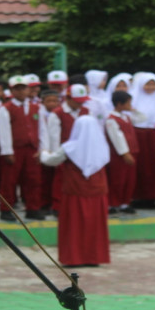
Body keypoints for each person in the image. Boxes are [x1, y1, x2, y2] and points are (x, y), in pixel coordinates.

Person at [40, 115, 110, 267]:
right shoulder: (103, 147)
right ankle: (93, 257)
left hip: (75, 190)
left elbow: (50, 161)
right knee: (94, 224)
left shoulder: (70, 147)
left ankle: (73, 258)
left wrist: (44, 152)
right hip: (97, 191)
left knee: (74, 225)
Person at [0, 75, 48, 222]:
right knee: (9, 181)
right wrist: (7, 150)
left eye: (23, 88)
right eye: (17, 89)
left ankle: (33, 208)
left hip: (32, 148)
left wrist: (42, 148)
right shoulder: (6, 108)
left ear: (28, 89)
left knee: (34, 180)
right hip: (15, 149)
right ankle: (6, 209)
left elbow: (42, 129)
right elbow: (4, 131)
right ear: (12, 90)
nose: (20, 92)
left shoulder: (37, 107)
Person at [47, 84, 91, 214]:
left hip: (82, 153)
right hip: (64, 152)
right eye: (78, 101)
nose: (80, 104)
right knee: (61, 179)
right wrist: (56, 154)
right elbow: (54, 136)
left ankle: (75, 206)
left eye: (82, 101)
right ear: (68, 98)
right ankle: (57, 206)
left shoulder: (86, 111)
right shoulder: (57, 114)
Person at [128, 72, 155, 207]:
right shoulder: (133, 100)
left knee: (153, 167)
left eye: (153, 84)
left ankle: (152, 197)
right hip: (137, 136)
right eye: (147, 84)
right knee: (138, 166)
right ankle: (136, 196)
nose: (151, 87)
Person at [105, 90, 145, 214]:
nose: (130, 105)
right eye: (128, 103)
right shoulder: (111, 119)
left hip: (132, 151)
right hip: (120, 155)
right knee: (118, 179)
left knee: (129, 179)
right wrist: (124, 153)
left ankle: (124, 202)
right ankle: (112, 203)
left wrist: (133, 110)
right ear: (119, 104)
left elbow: (143, 118)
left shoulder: (126, 117)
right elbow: (117, 138)